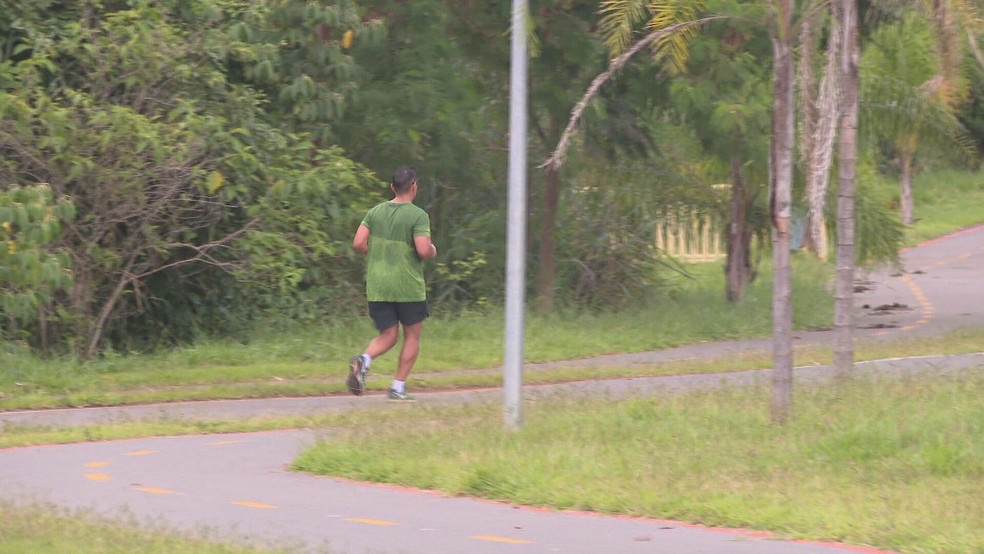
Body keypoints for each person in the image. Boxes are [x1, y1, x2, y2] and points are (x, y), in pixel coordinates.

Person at [348, 166, 437, 401]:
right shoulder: (418, 216)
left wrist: (374, 252)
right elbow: (423, 249)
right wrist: (432, 250)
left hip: (378, 285)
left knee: (388, 334)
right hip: (407, 286)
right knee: (412, 336)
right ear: (414, 186)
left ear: (392, 187)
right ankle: (397, 388)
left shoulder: (375, 212)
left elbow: (358, 243)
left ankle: (364, 360)